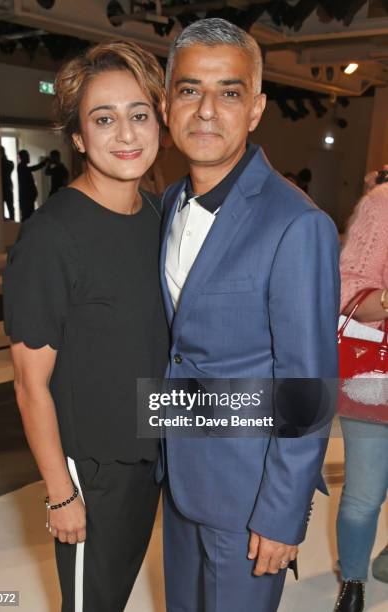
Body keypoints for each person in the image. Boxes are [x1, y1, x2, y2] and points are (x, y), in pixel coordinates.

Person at [159, 18, 340, 612]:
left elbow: (307, 384)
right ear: (167, 104)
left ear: (256, 108)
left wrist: (282, 514)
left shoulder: (296, 223)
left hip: (249, 497)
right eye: (190, 89)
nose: (207, 109)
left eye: (229, 92)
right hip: (179, 476)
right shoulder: (168, 203)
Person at [3, 41, 169, 612]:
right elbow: (30, 385)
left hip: (152, 456)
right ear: (77, 137)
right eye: (104, 119)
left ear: (158, 122)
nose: (125, 134)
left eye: (138, 114)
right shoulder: (52, 237)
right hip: (91, 474)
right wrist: (60, 495)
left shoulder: (156, 214)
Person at [334, 168, 388, 612]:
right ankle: (352, 585)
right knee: (364, 494)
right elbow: (347, 287)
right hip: (377, 376)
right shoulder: (382, 204)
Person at [17, 149, 47, 221]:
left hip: (27, 197)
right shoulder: (21, 167)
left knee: (28, 215)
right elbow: (34, 168)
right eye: (27, 156)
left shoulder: (22, 167)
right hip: (26, 197)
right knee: (27, 216)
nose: (28, 158)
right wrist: (44, 162)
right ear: (23, 157)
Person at [0, 146, 15, 220]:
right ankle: (12, 220)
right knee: (10, 207)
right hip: (8, 187)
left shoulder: (0, 164)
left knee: (5, 206)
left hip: (2, 188)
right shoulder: (10, 163)